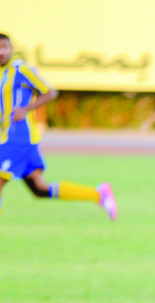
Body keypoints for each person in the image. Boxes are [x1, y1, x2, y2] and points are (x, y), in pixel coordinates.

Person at [0, 34, 116, 220]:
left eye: (5, 46)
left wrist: (26, 109)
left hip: (19, 137)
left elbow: (50, 92)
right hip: (12, 138)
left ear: (12, 48)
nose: (2, 52)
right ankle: (99, 195)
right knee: (39, 189)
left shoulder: (21, 70)